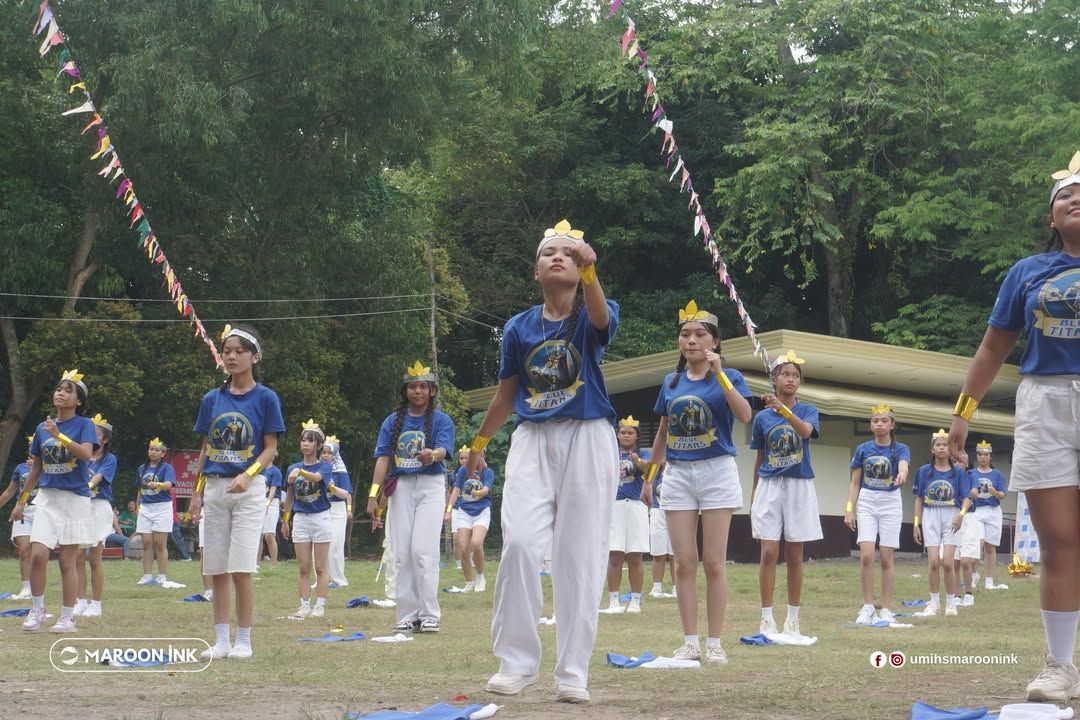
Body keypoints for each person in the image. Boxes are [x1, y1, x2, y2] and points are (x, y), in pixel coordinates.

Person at [465, 220, 617, 704]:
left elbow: (598, 322)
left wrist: (592, 273)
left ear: (581, 267)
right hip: (532, 438)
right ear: (536, 270)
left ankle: (573, 672)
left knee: (579, 557)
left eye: (569, 254)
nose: (559, 258)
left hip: (588, 436)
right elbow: (507, 396)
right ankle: (516, 662)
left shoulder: (597, 307)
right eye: (549, 252)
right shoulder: (519, 327)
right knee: (521, 546)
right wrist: (478, 443)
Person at [947, 151, 1080, 702]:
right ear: (1051, 218)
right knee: (1059, 541)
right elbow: (993, 347)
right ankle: (1060, 667)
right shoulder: (1027, 273)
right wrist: (961, 415)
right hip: (1044, 402)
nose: (1075, 200)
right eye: (1064, 196)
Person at [649, 300, 752, 664]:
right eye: (685, 334)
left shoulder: (730, 377)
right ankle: (690, 641)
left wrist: (719, 373)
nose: (691, 340)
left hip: (716, 470)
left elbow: (744, 414)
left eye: (700, 334)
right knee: (683, 561)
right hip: (677, 473)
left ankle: (715, 642)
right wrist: (650, 478)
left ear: (715, 341)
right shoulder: (671, 382)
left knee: (713, 561)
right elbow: (662, 433)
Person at [189, 323, 285, 660]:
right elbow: (205, 449)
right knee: (215, 567)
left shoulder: (266, 398)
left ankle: (244, 640)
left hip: (249, 489)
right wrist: (197, 493)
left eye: (238, 351)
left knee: (241, 567)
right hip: (215, 487)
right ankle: (220, 641)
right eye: (226, 350)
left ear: (254, 356)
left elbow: (270, 449)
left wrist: (248, 475)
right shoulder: (211, 399)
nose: (231, 356)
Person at [368, 360, 456, 634]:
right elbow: (383, 459)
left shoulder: (442, 420)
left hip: (430, 485)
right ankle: (407, 614)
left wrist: (433, 454)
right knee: (402, 553)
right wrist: (373, 495)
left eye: (423, 386)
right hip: (402, 487)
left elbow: (443, 450)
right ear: (405, 391)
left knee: (423, 551)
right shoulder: (392, 422)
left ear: (432, 391)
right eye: (412, 386)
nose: (417, 391)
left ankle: (429, 614)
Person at [12, 369, 98, 632]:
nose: (61, 393)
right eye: (59, 388)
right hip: (47, 498)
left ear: (79, 401)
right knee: (37, 555)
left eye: (68, 390)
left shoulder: (84, 425)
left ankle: (67, 617)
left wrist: (59, 434)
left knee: (66, 561)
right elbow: (36, 467)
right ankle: (37, 610)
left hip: (74, 498)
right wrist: (22, 500)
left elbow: (85, 454)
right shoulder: (42, 427)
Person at [750, 350, 821, 636]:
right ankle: (766, 616)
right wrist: (755, 491)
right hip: (769, 484)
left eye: (795, 375)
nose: (790, 379)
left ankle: (793, 617)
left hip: (799, 483)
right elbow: (759, 457)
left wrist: (784, 409)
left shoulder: (807, 410)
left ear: (800, 382)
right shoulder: (762, 419)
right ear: (774, 379)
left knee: (795, 553)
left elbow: (805, 433)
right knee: (768, 552)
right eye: (784, 374)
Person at [844, 403, 911, 625]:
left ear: (892, 425)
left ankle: (886, 608)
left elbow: (903, 466)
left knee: (885, 557)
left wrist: (902, 474)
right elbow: (855, 483)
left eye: (884, 421)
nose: (879, 424)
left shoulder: (900, 448)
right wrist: (848, 510)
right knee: (866, 555)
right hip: (867, 500)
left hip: (890, 501)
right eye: (875, 421)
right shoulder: (863, 449)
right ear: (870, 425)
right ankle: (867, 606)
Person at [912, 430, 971, 617]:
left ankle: (951, 602)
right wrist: (916, 523)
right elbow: (919, 499)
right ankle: (934, 602)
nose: (942, 448)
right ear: (932, 448)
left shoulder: (958, 473)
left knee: (948, 562)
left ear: (950, 449)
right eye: (938, 444)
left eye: (945, 445)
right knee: (933, 562)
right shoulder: (924, 472)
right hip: (930, 514)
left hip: (951, 515)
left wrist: (961, 515)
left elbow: (967, 499)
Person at [281, 419, 335, 618]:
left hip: (320, 517)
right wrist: (285, 520)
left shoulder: (325, 466)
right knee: (303, 567)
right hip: (301, 518)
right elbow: (289, 495)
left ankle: (319, 606)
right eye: (303, 440)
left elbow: (317, 479)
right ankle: (304, 605)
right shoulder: (292, 468)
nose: (305, 444)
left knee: (321, 567)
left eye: (310, 441)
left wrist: (301, 472)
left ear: (319, 445)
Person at [74, 413, 118, 618]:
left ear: (105, 439)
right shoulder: (80, 456)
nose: (92, 437)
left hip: (99, 507)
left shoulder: (109, 459)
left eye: (97, 434)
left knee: (94, 558)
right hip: (79, 507)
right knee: (77, 557)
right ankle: (80, 601)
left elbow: (97, 479)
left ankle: (96, 604)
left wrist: (84, 487)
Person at [606, 416, 650, 614]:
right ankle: (613, 600)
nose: (626, 435)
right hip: (614, 506)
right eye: (623, 432)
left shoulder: (643, 454)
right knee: (615, 555)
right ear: (617, 434)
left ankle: (635, 600)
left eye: (630, 432)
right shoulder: (609, 453)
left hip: (636, 505)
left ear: (636, 436)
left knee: (635, 556)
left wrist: (637, 461)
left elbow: (651, 472)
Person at [444, 446, 494, 592]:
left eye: (476, 456)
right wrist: (448, 510)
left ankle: (480, 577)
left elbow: (486, 490)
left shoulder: (487, 472)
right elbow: (456, 491)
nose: (472, 459)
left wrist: (477, 493)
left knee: (476, 543)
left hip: (482, 511)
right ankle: (469, 582)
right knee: (463, 547)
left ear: (482, 456)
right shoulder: (463, 471)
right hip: (464, 512)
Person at [135, 438, 176, 585]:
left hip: (162, 507)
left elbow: (169, 484)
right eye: (151, 449)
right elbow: (139, 488)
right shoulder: (142, 468)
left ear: (163, 453)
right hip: (146, 507)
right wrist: (137, 505)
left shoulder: (167, 468)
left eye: (157, 450)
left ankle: (162, 575)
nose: (153, 452)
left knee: (159, 543)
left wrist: (158, 484)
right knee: (146, 542)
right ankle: (146, 575)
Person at [968, 440, 1008, 591]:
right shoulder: (971, 473)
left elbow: (1002, 495)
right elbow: (968, 492)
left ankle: (989, 581)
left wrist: (994, 492)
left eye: (986, 455)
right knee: (977, 544)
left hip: (993, 510)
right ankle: (973, 574)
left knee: (990, 547)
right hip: (977, 510)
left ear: (990, 457)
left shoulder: (997, 474)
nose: (983, 457)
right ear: (976, 456)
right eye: (980, 454)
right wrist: (973, 493)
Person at [0, 436, 37, 599]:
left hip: (43, 511)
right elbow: (9, 491)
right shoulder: (20, 468)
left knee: (40, 553)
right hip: (23, 511)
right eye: (31, 446)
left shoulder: (50, 467)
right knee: (24, 550)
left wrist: (37, 469)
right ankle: (26, 588)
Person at [641, 458, 675, 599]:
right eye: (663, 457)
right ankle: (657, 588)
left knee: (675, 555)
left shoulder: (679, 473)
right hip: (657, 511)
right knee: (658, 553)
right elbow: (645, 475)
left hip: (676, 512)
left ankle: (677, 588)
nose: (665, 460)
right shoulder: (655, 472)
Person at [322, 435, 352, 587]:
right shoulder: (318, 469)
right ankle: (322, 579)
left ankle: (339, 580)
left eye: (329, 452)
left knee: (335, 545)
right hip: (321, 509)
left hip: (338, 509)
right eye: (324, 452)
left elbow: (346, 494)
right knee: (321, 545)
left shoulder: (341, 471)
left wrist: (332, 487)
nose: (326, 455)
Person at [260, 454, 283, 568]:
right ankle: (255, 564)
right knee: (258, 534)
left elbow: (273, 489)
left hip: (272, 502)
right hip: (258, 501)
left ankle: (274, 563)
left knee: (269, 534)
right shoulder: (260, 470)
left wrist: (267, 504)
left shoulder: (275, 471)